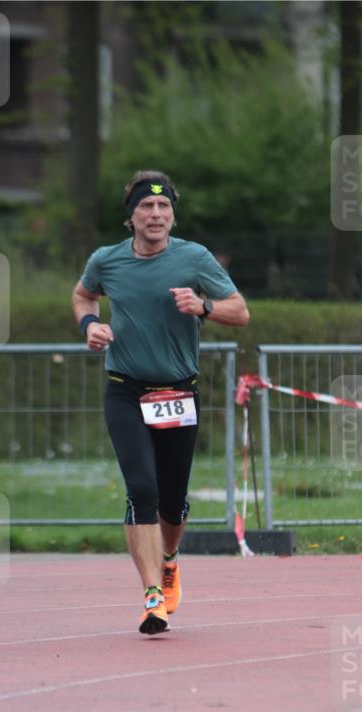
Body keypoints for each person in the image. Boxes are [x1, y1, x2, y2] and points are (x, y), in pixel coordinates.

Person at [72, 170, 249, 635]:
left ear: (173, 214)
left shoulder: (195, 259)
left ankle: (169, 560)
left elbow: (241, 311)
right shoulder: (106, 261)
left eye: (163, 207)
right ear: (130, 217)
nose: (156, 214)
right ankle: (152, 595)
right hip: (125, 390)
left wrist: (204, 306)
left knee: (172, 501)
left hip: (177, 393)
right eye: (146, 208)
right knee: (142, 491)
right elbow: (82, 294)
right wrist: (90, 324)